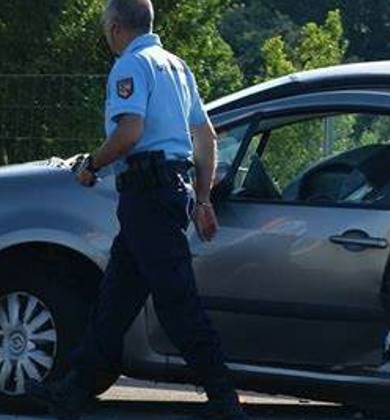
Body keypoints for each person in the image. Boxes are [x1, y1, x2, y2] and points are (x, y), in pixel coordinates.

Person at [26, 1, 246, 419]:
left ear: (114, 27)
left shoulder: (130, 65)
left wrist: (91, 165)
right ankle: (74, 392)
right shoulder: (177, 66)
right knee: (115, 300)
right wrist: (201, 200)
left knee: (176, 301)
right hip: (166, 196)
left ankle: (223, 398)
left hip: (147, 195)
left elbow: (129, 133)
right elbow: (207, 138)